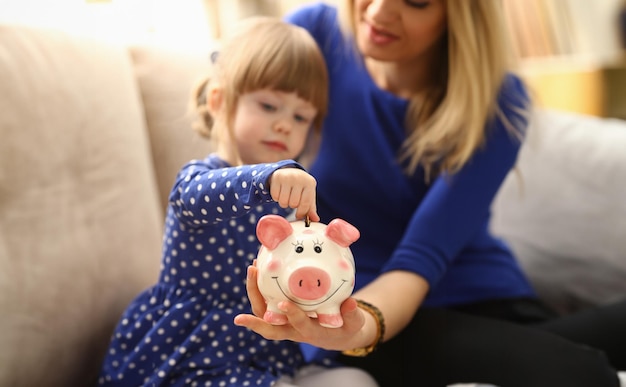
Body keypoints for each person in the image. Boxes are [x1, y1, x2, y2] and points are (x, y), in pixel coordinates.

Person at [234, 1, 626, 386]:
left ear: (458, 15)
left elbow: (420, 257)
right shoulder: (312, 37)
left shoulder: (499, 100)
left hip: (485, 301)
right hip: (361, 312)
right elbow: (235, 109)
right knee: (584, 372)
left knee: (573, 365)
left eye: (417, 2)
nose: (379, 12)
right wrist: (353, 328)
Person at [98, 17, 377, 387]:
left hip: (261, 349)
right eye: (268, 105)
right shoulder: (196, 179)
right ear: (219, 101)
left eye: (300, 117)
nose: (284, 125)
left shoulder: (284, 198)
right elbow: (203, 195)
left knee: (354, 380)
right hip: (193, 351)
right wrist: (266, 177)